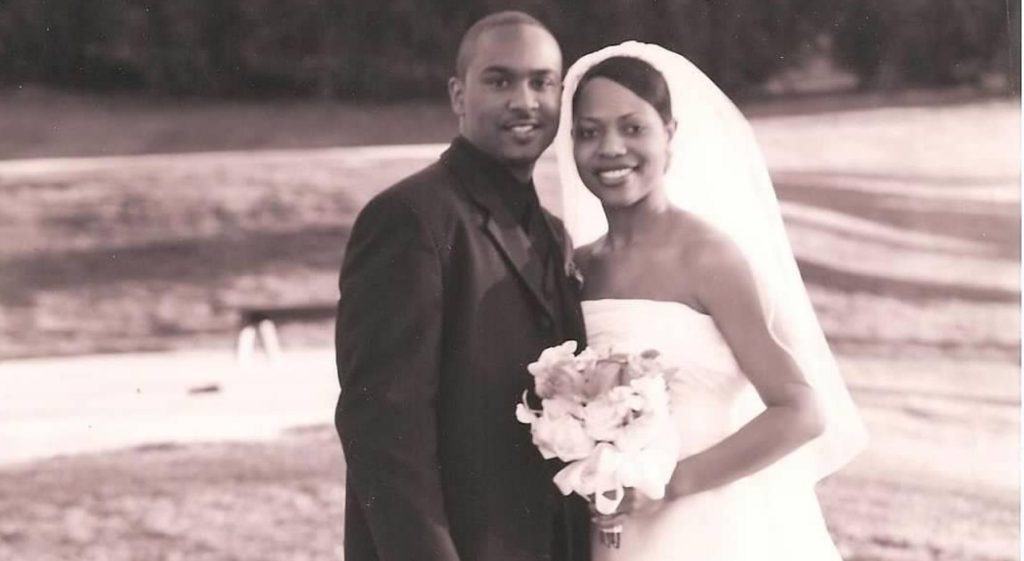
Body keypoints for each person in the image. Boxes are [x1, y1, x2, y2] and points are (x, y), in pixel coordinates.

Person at [554, 42, 869, 559]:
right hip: (612, 527)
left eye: (633, 128)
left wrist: (671, 483)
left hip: (708, 521)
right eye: (589, 132)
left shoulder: (708, 258)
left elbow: (802, 410)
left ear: (670, 134)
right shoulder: (577, 266)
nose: (610, 147)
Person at [334, 11, 591, 561]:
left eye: (542, 82)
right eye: (500, 81)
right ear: (458, 94)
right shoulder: (409, 218)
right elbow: (382, 431)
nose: (525, 101)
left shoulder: (554, 234)